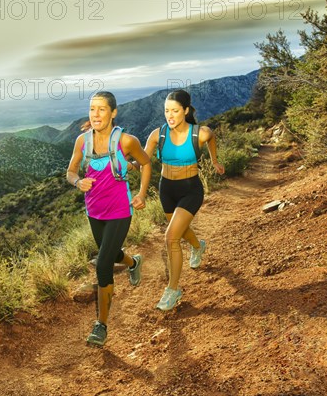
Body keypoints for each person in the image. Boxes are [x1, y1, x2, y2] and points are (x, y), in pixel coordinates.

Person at [67, 91, 152, 347]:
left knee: (103, 264)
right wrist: (78, 181)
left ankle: (101, 325)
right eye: (92, 109)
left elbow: (146, 163)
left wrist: (142, 193)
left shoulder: (126, 141)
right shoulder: (82, 141)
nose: (96, 114)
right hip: (94, 210)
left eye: (102, 109)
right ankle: (133, 262)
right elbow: (70, 171)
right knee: (112, 254)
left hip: (120, 211)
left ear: (113, 113)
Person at [140, 89, 225, 311]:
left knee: (171, 237)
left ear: (185, 111)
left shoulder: (200, 133)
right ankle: (198, 246)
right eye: (167, 111)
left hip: (191, 190)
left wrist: (214, 160)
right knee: (179, 230)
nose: (170, 115)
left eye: (175, 111)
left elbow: (212, 138)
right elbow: (143, 160)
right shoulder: (156, 135)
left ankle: (173, 289)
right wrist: (122, 164)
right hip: (166, 188)